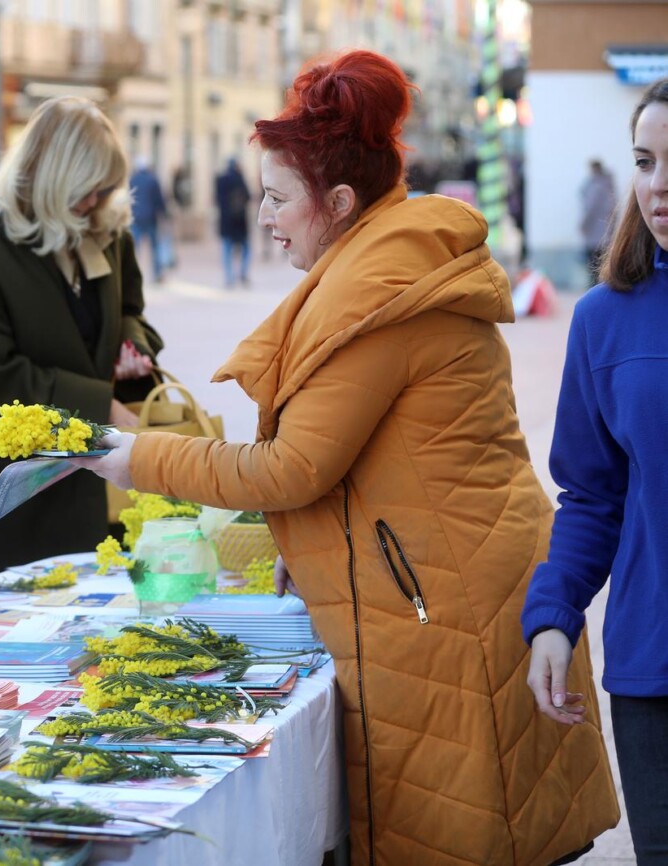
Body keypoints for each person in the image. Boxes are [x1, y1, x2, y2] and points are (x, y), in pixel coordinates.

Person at [76, 51, 619, 864]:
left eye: (277, 197)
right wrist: (316, 543)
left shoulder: (377, 295)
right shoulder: (378, 264)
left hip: (449, 610)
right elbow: (367, 461)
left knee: (469, 838)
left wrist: (136, 459)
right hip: (454, 587)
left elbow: (290, 468)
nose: (263, 214)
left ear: (337, 202)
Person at [523, 77, 668, 864]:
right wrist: (554, 615)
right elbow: (593, 494)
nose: (659, 186)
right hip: (654, 675)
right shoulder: (603, 319)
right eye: (645, 161)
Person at [0, 96, 163, 584]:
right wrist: (99, 407)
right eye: (86, 190)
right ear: (48, 177)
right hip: (20, 498)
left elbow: (132, 312)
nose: (95, 203)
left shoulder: (106, 230)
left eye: (105, 190)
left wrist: (133, 345)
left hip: (103, 493)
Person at [128, 156, 168, 282]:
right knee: (154, 247)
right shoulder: (152, 179)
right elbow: (159, 200)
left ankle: (131, 274)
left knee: (135, 248)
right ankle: (157, 273)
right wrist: (164, 214)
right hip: (151, 218)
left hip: (136, 217)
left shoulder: (133, 179)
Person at [580, 158, 618, 286]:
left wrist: (583, 225)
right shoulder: (609, 186)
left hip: (595, 235)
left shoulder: (596, 186)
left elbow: (591, 209)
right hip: (606, 235)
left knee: (593, 268)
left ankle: (594, 293)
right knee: (601, 267)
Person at [215, 157, 252, 286]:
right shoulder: (239, 178)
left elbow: (217, 200)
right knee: (246, 248)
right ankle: (242, 273)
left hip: (226, 221)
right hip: (239, 220)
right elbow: (248, 196)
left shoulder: (220, 180)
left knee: (226, 250)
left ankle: (229, 278)